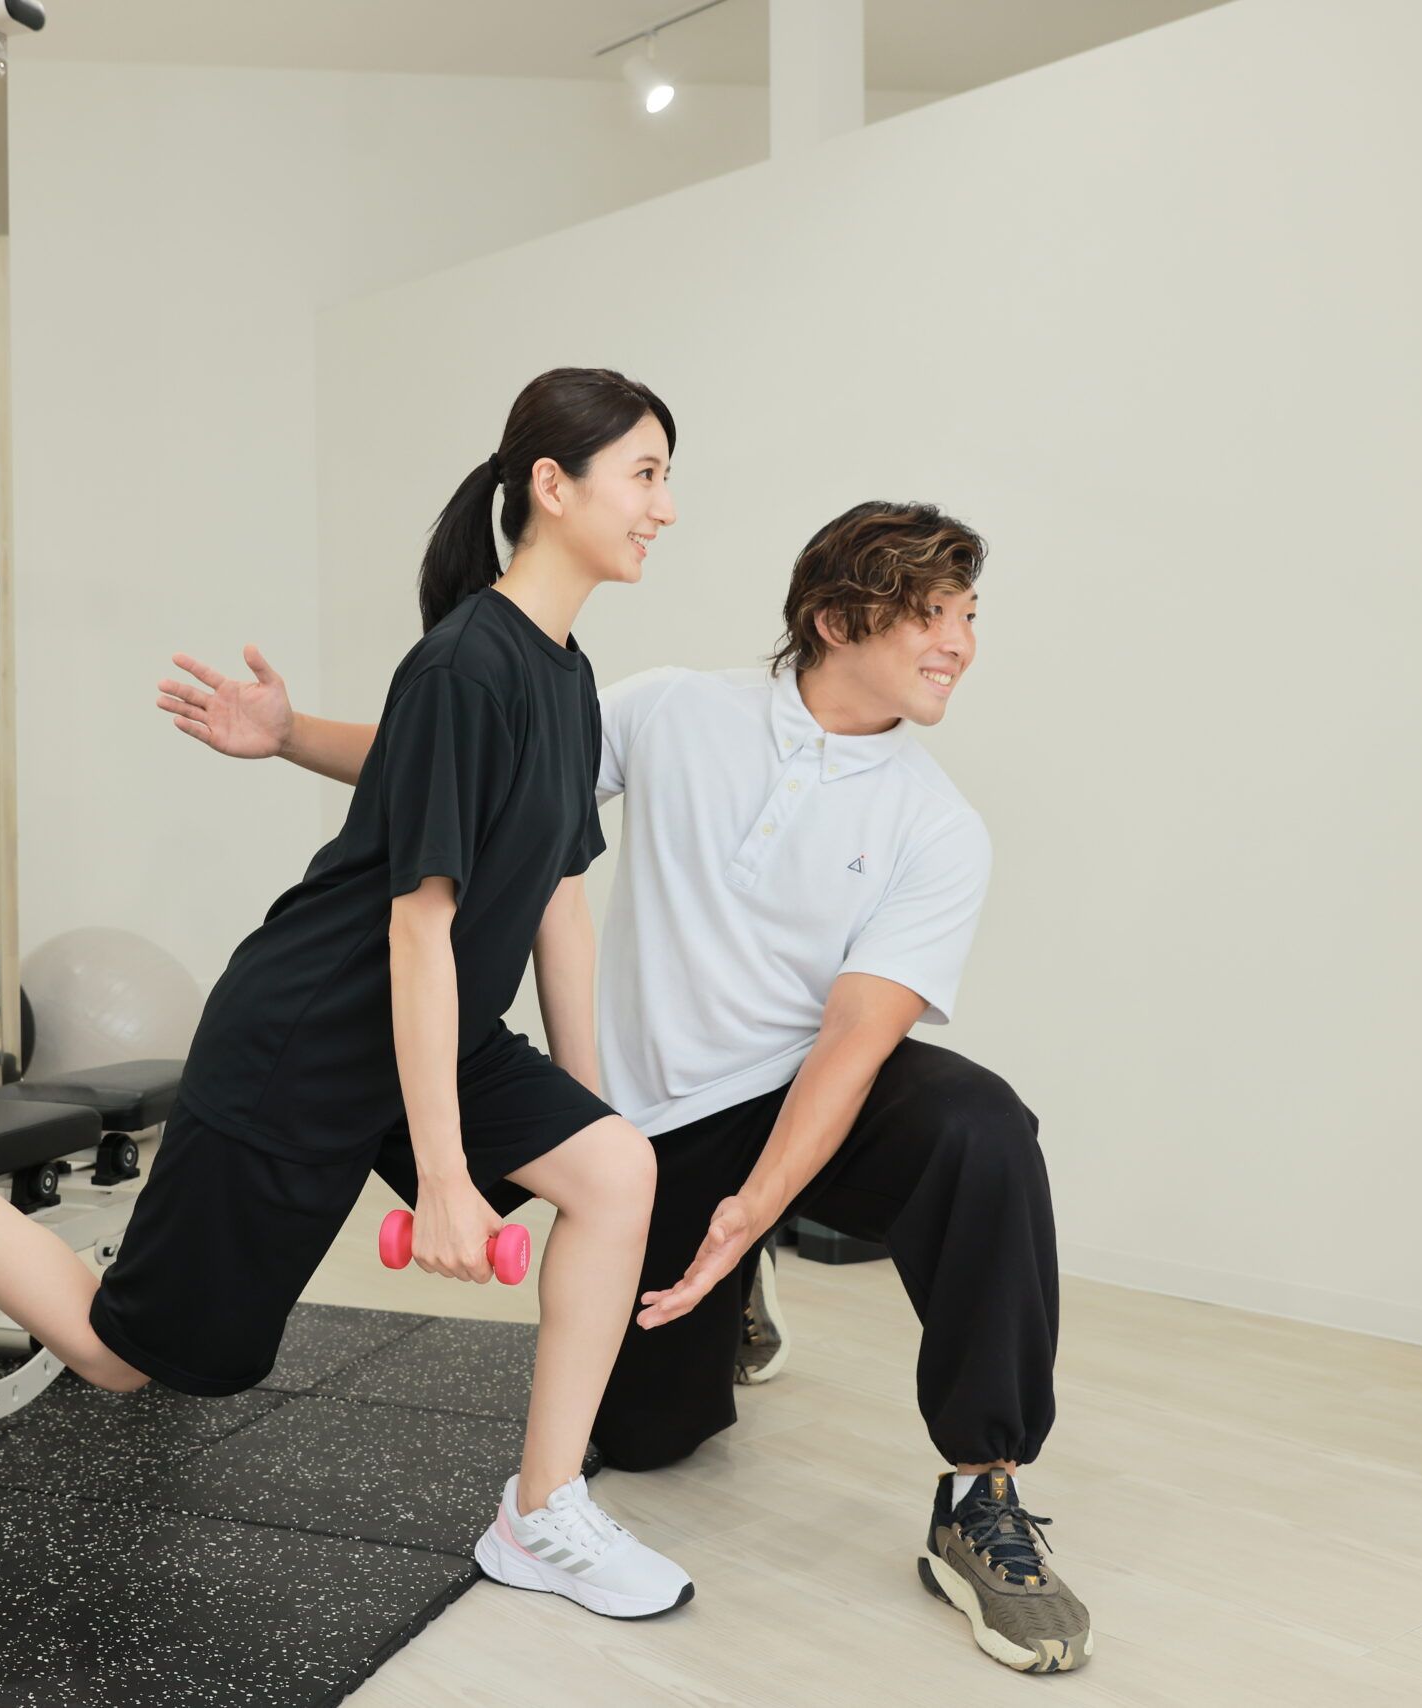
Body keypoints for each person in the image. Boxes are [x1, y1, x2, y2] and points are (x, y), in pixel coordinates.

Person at [0, 367, 696, 1621]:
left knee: (616, 1171)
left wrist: (585, 1103)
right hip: (310, 1037)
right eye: (646, 474)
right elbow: (416, 926)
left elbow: (558, 887)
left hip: (431, 1028)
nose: (664, 507)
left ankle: (540, 1510)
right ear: (552, 486)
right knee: (125, 1354)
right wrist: (448, 1177)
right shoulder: (466, 662)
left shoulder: (560, 673)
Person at [157, 500, 1091, 1674]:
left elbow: (856, 1036)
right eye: (931, 613)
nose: (958, 642)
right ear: (834, 618)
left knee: (980, 1124)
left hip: (802, 1094)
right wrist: (290, 733)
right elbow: (467, 764)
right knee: (647, 1439)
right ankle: (730, 1299)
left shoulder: (936, 824)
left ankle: (980, 1488)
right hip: (653, 1127)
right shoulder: (673, 710)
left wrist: (753, 1206)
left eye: (968, 616)